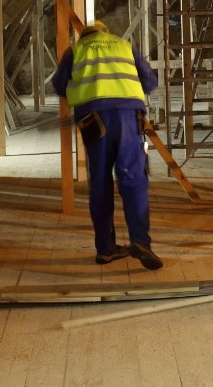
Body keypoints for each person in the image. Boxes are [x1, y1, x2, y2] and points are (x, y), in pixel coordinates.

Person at [52, 19, 163, 270]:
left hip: (93, 120)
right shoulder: (123, 45)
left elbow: (59, 85)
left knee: (100, 182)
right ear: (105, 32)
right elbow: (151, 82)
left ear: (85, 35)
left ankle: (105, 249)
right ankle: (140, 241)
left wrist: (82, 94)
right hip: (127, 116)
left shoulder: (76, 50)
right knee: (132, 178)